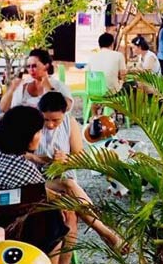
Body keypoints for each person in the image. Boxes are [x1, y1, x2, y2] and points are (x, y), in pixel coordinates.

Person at [0, 106, 69, 260]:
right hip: (1, 246)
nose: (40, 136)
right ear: (27, 136)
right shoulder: (25, 171)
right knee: (56, 220)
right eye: (38, 131)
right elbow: (42, 193)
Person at [28, 93, 124, 256]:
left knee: (70, 215)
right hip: (39, 180)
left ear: (64, 114)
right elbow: (24, 155)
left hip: (64, 177)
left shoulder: (70, 122)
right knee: (68, 189)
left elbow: (79, 156)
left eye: (55, 120)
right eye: (46, 120)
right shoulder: (32, 125)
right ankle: (105, 232)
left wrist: (66, 159)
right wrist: (45, 159)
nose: (50, 125)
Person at [0, 49, 72, 112]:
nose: (31, 69)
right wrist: (12, 89)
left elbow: (67, 107)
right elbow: (3, 108)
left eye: (34, 66)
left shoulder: (57, 85)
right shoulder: (23, 85)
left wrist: (50, 89)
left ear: (46, 66)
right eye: (28, 66)